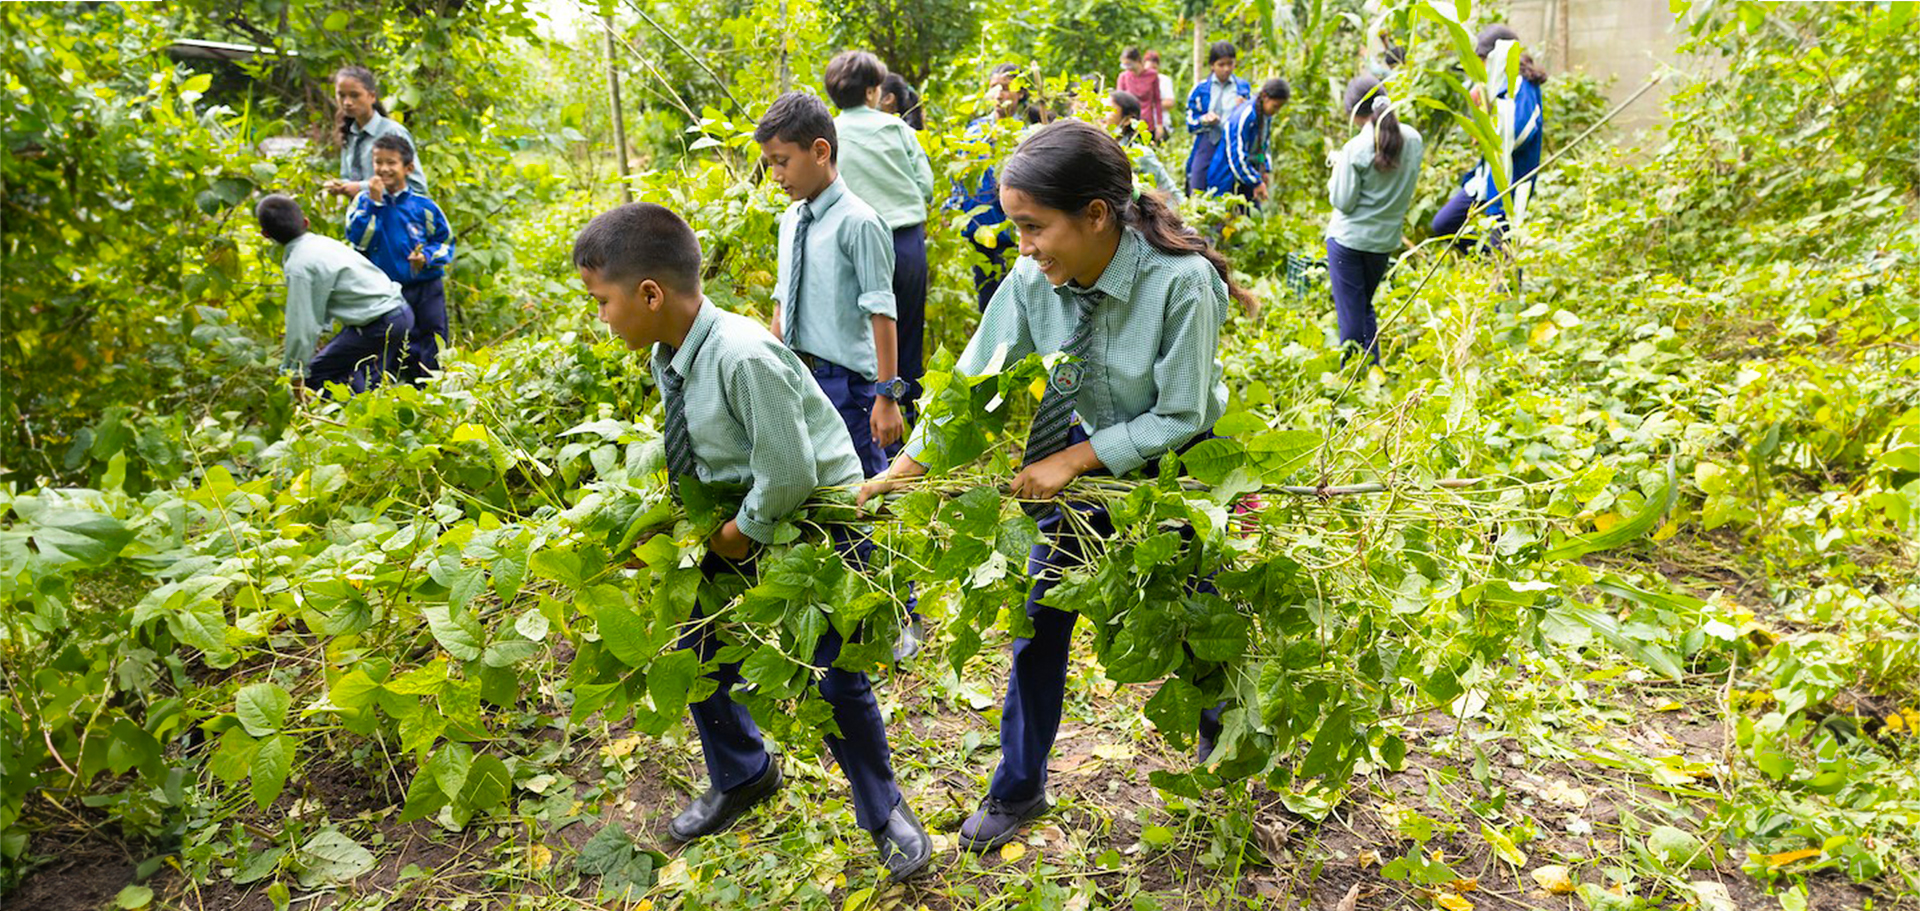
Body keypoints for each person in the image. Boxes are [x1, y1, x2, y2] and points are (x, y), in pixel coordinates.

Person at [858, 121, 1255, 851]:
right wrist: (906, 467)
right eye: (1017, 227)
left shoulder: (1183, 283)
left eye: (1034, 227)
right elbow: (971, 381)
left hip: (1178, 463)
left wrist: (1072, 461)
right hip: (1085, 460)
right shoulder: (1031, 281)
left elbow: (1182, 411)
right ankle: (1019, 785)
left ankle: (1219, 747)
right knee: (1039, 619)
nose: (1024, 246)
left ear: (1096, 215)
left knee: (1193, 613)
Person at [570, 201, 931, 882]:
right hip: (741, 514)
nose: (602, 317)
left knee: (832, 671)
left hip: (810, 520)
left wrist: (740, 534)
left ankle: (883, 809)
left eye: (602, 301)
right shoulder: (669, 353)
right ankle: (743, 772)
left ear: (650, 294)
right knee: (694, 640)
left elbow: (790, 471)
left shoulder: (741, 355)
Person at [753, 91, 904, 481]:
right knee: (816, 479)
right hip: (799, 378)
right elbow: (782, 300)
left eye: (782, 162)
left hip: (847, 386)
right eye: (770, 164)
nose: (776, 175)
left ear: (820, 151)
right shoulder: (791, 219)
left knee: (859, 485)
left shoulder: (860, 223)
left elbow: (882, 311)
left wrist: (887, 396)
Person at [824, 52, 934, 434]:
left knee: (864, 336)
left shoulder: (828, 134)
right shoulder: (897, 129)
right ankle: (912, 426)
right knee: (907, 334)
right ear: (873, 91)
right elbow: (925, 186)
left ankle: (868, 425)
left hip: (853, 244)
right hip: (904, 240)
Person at [256, 193, 413, 398]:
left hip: (379, 325)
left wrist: (295, 373)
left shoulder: (299, 266)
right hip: (400, 312)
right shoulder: (323, 243)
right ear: (306, 222)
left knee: (316, 376)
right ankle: (370, 409)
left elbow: (302, 326)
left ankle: (348, 413)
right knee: (359, 377)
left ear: (265, 234)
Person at [1326, 75, 1424, 363]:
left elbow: (1343, 201)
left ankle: (1352, 376)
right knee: (1362, 305)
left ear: (1354, 111)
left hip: (1348, 242)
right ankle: (1374, 368)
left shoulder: (1356, 148)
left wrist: (1337, 168)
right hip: (1383, 242)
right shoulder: (1413, 139)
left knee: (1351, 317)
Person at [344, 134, 453, 385]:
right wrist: (375, 204)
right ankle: (384, 393)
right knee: (386, 345)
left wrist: (426, 256)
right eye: (378, 162)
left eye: (391, 162)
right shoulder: (362, 203)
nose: (384, 169)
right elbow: (359, 239)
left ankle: (431, 393)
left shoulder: (424, 206)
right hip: (383, 290)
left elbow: (445, 242)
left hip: (426, 288)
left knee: (432, 342)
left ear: (408, 168)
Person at [1429, 24, 1547, 252]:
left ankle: (1501, 264)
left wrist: (1488, 123)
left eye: (1483, 60)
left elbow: (1519, 133)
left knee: (1504, 248)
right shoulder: (1494, 85)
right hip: (1486, 178)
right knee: (1444, 223)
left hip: (1510, 182)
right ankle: (1488, 256)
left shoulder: (1523, 85)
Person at [948, 64, 1037, 312]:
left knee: (1020, 302)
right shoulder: (974, 131)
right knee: (988, 301)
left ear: (1020, 92)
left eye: (1006, 88)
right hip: (980, 228)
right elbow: (960, 178)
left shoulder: (1027, 135)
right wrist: (952, 208)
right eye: (993, 87)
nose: (999, 94)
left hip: (1017, 232)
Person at [323, 66, 426, 198]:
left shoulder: (393, 132)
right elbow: (349, 178)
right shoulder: (350, 134)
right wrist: (340, 186)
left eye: (355, 95)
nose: (347, 102)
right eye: (341, 95)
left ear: (372, 96)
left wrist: (362, 188)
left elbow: (417, 187)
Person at [1206, 78, 1290, 201]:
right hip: (1226, 177)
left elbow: (1262, 147)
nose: (1276, 112)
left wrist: (1263, 169)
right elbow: (1237, 155)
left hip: (1247, 177)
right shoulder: (1244, 116)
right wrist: (1255, 182)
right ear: (1265, 97)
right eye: (1275, 106)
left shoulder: (1265, 117)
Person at [1183, 42, 1251, 194]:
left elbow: (1250, 119)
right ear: (1212, 65)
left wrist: (1242, 108)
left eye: (1230, 64)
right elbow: (1190, 121)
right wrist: (1204, 120)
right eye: (1221, 64)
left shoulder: (1243, 88)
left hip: (1233, 143)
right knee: (1197, 182)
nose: (1226, 69)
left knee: (1233, 187)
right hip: (1208, 140)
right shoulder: (1200, 89)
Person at [1107, 90, 1182, 200]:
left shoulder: (1140, 154)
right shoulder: (1094, 146)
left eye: (1109, 110)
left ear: (1127, 120)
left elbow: (1169, 191)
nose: (1101, 114)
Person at [1116, 47, 1163, 142]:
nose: (1127, 68)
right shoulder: (1123, 77)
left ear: (1137, 61)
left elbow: (1157, 101)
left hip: (1147, 123)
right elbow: (1119, 102)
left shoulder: (1152, 75)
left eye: (1129, 64)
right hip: (1129, 124)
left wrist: (1159, 124)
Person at [1145, 50, 1175, 136]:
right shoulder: (1139, 81)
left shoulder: (1164, 80)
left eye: (1154, 68)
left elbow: (1170, 102)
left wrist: (1150, 105)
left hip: (1161, 125)